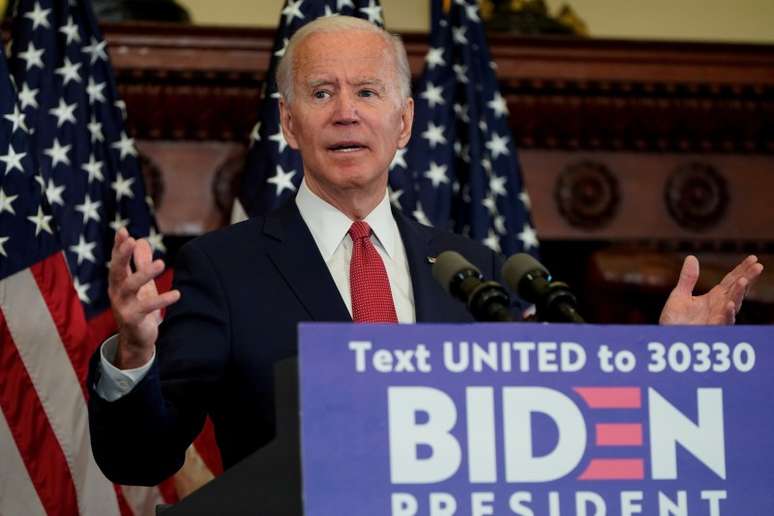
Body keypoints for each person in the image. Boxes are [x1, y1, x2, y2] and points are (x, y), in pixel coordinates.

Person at [87, 16, 763, 486]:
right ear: (290, 124)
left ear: (403, 123)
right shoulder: (223, 269)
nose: (346, 112)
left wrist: (672, 365)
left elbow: (564, 431)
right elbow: (141, 459)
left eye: (368, 92)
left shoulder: (477, 272)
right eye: (322, 94)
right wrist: (135, 356)